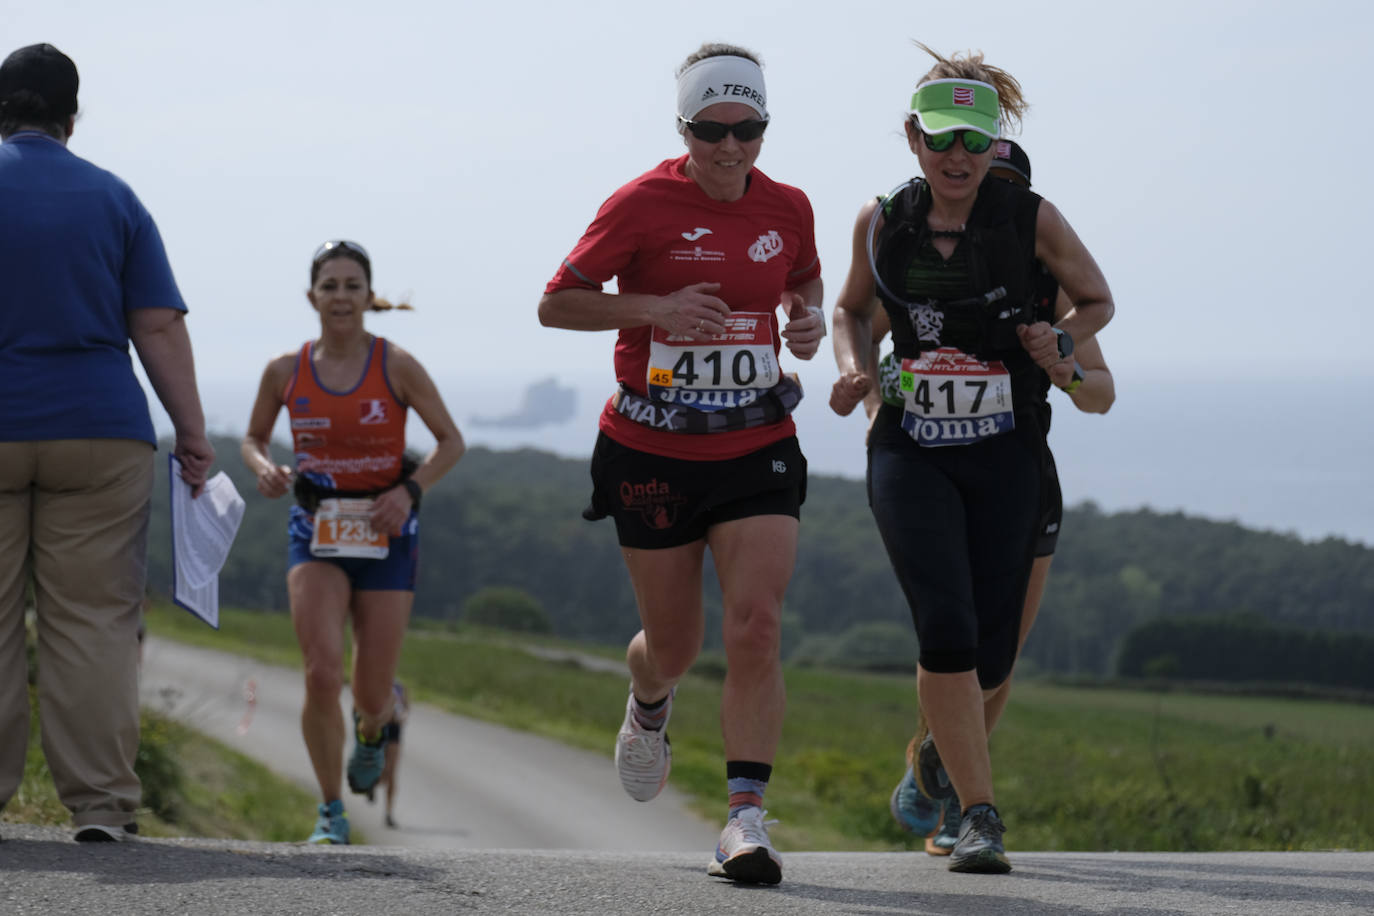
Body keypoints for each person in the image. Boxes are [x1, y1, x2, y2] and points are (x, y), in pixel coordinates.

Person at [538, 42, 825, 885]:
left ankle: (744, 821)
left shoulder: (790, 206)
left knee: (758, 626)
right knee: (675, 645)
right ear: (683, 127)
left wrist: (802, 323)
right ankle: (649, 701)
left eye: (748, 130)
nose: (730, 148)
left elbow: (799, 288)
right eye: (711, 130)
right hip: (651, 446)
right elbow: (556, 303)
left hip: (756, 443)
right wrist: (656, 306)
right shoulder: (641, 203)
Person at [829, 44, 1115, 873]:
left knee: (992, 655)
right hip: (911, 451)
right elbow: (851, 311)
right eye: (941, 138)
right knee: (946, 630)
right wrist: (856, 376)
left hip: (1009, 451)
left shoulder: (1032, 225)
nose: (958, 156)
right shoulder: (884, 220)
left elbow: (1098, 322)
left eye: (974, 142)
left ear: (998, 148)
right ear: (914, 138)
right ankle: (979, 815)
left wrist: (1060, 345)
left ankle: (936, 757)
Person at [0, 43, 214, 842]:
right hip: (99, 431)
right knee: (91, 623)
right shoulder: (113, 197)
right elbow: (156, 324)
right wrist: (191, 434)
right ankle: (99, 806)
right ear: (72, 115)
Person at [241, 241, 464, 845]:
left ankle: (372, 731)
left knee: (370, 691)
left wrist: (409, 492)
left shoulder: (397, 365)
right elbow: (253, 438)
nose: (341, 297)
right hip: (314, 530)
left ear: (370, 296)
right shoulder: (285, 370)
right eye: (330, 286)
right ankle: (330, 811)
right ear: (312, 296)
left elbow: (450, 442)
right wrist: (264, 467)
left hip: (386, 533)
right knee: (320, 674)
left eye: (351, 286)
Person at [376, 680, 408, 828]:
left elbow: (406, 707)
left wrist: (402, 717)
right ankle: (371, 784)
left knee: (391, 772)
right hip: (379, 728)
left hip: (395, 730)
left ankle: (388, 813)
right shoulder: (376, 682)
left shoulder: (399, 687)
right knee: (380, 770)